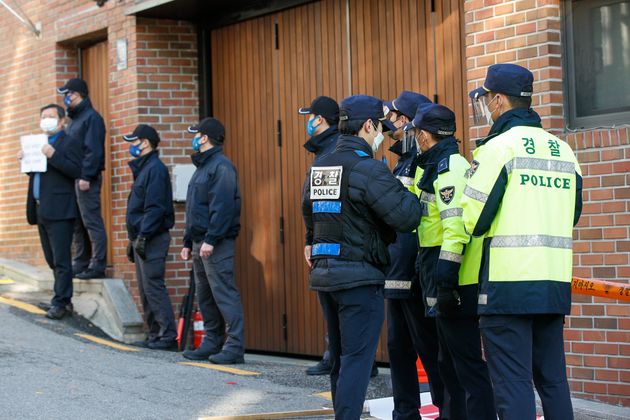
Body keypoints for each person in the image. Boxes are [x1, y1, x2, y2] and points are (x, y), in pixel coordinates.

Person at [462, 63, 583, 420]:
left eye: (486, 97)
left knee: (513, 384)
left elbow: (475, 220)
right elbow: (570, 216)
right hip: (553, 285)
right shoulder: (565, 152)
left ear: (498, 99)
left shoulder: (498, 149)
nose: (485, 104)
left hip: (507, 287)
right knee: (553, 382)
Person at [302, 94, 422, 419]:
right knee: (357, 359)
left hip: (326, 276)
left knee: (340, 359)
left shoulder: (321, 165)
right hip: (360, 277)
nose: (381, 136)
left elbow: (308, 211)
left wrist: (312, 242)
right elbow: (408, 216)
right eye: (379, 129)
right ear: (368, 126)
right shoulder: (368, 168)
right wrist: (415, 190)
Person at [408, 103, 495, 420]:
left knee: (466, 362)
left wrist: (446, 280)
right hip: (438, 269)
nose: (415, 139)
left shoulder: (449, 169)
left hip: (454, 276)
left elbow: (454, 227)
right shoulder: (435, 166)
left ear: (424, 134)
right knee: (447, 360)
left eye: (416, 133)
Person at [382, 91, 449, 420]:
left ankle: (446, 408)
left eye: (393, 115)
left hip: (415, 270)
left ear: (408, 122)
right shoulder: (402, 161)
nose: (388, 122)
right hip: (397, 270)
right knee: (398, 348)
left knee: (430, 347)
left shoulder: (423, 163)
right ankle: (405, 413)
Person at [180, 117, 245, 365]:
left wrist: (211, 239)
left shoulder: (221, 167)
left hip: (215, 244)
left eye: (196, 134)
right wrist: (188, 242)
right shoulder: (203, 167)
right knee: (205, 296)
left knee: (224, 294)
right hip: (200, 243)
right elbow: (194, 210)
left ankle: (234, 347)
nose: (193, 137)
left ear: (204, 137)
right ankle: (212, 342)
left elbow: (224, 207)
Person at [20, 104, 82, 319]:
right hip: (40, 207)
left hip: (60, 209)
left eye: (51, 116)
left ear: (62, 121)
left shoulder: (69, 142)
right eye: (43, 116)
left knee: (62, 259)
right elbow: (40, 174)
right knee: (51, 258)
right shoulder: (39, 143)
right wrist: (26, 160)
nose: (46, 119)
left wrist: (53, 155)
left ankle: (62, 302)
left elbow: (75, 170)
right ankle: (62, 298)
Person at [123, 124, 178, 351]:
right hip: (143, 237)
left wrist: (143, 236)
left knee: (153, 287)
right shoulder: (145, 169)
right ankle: (155, 334)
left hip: (152, 238)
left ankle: (167, 336)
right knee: (146, 289)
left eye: (134, 141)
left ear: (145, 142)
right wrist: (133, 239)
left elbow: (154, 208)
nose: (131, 146)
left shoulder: (154, 169)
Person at [298, 96, 340, 376]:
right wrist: (309, 240)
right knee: (331, 301)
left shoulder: (332, 151)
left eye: (309, 116)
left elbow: (321, 203)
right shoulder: (324, 149)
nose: (307, 122)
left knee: (335, 301)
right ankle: (336, 355)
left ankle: (337, 357)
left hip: (333, 241)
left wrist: (314, 238)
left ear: (320, 119)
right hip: (323, 240)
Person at [57, 78, 108, 279]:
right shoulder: (75, 119)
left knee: (91, 221)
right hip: (74, 178)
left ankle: (98, 265)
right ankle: (81, 262)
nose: (65, 98)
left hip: (86, 179)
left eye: (68, 94)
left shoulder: (91, 118)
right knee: (78, 223)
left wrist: (86, 176)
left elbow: (93, 150)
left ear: (77, 94)